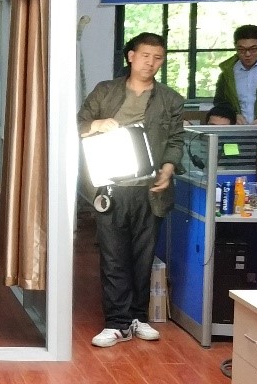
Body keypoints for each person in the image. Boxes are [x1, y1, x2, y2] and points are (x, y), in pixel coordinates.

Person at [78, 32, 184, 347]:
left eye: (158, 58)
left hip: (149, 190)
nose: (151, 63)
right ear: (131, 57)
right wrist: (97, 125)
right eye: (146, 56)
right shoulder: (105, 91)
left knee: (143, 257)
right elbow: (77, 125)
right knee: (113, 257)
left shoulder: (170, 99)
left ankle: (138, 318)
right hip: (111, 187)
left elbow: (176, 141)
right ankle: (115, 323)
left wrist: (168, 169)